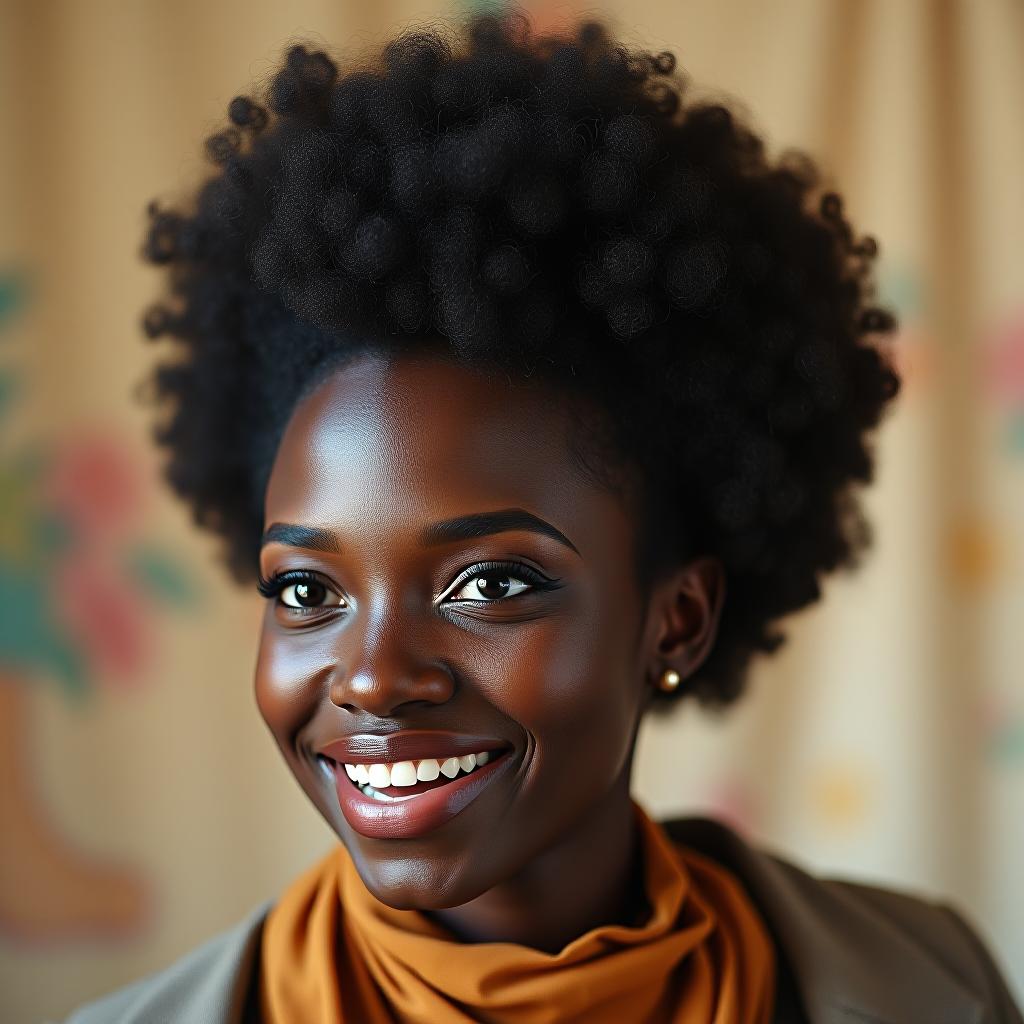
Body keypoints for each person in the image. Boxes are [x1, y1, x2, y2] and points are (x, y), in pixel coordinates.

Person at [63, 9, 1022, 1023]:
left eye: (489, 583)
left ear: (678, 619)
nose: (377, 676)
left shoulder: (936, 981)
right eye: (306, 589)